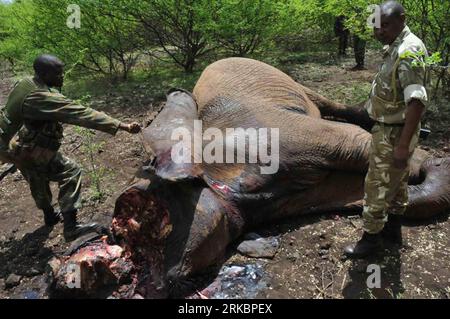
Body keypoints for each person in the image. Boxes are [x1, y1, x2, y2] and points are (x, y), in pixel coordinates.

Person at [0, 54, 141, 242]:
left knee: (36, 175)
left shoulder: (26, 83)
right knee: (71, 172)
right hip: (17, 147)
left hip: (12, 145)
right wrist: (121, 125)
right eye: (57, 73)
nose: (62, 76)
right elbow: (80, 113)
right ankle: (71, 228)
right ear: (43, 73)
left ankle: (49, 215)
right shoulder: (38, 98)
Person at [344, 1, 429, 258]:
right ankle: (393, 231)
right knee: (397, 182)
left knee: (377, 186)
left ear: (402, 19)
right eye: (377, 26)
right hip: (393, 127)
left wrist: (403, 145)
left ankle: (371, 241)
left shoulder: (407, 51)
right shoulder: (396, 45)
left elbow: (416, 101)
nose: (379, 31)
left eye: (385, 25)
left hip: (395, 131)